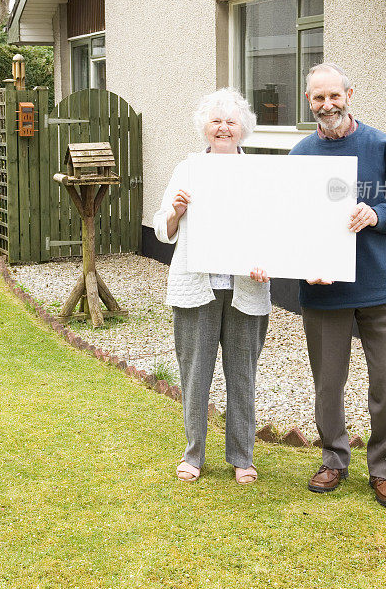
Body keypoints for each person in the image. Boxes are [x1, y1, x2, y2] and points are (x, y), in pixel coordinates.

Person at [290, 63, 386, 508]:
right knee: (328, 383)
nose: (326, 105)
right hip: (324, 289)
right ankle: (334, 459)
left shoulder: (380, 145)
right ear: (308, 100)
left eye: (334, 96)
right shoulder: (300, 155)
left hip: (382, 286)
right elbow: (287, 225)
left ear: (350, 94)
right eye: (317, 98)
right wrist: (300, 263)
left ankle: (384, 470)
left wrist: (378, 214)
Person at [154, 88, 271, 485]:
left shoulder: (258, 173)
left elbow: (273, 230)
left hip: (245, 291)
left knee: (242, 376)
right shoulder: (187, 169)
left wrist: (267, 261)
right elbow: (162, 228)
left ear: (243, 129)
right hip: (195, 288)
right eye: (216, 121)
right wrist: (176, 212)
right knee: (194, 374)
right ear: (205, 127)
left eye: (231, 121)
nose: (223, 128)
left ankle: (242, 456)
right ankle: (193, 455)